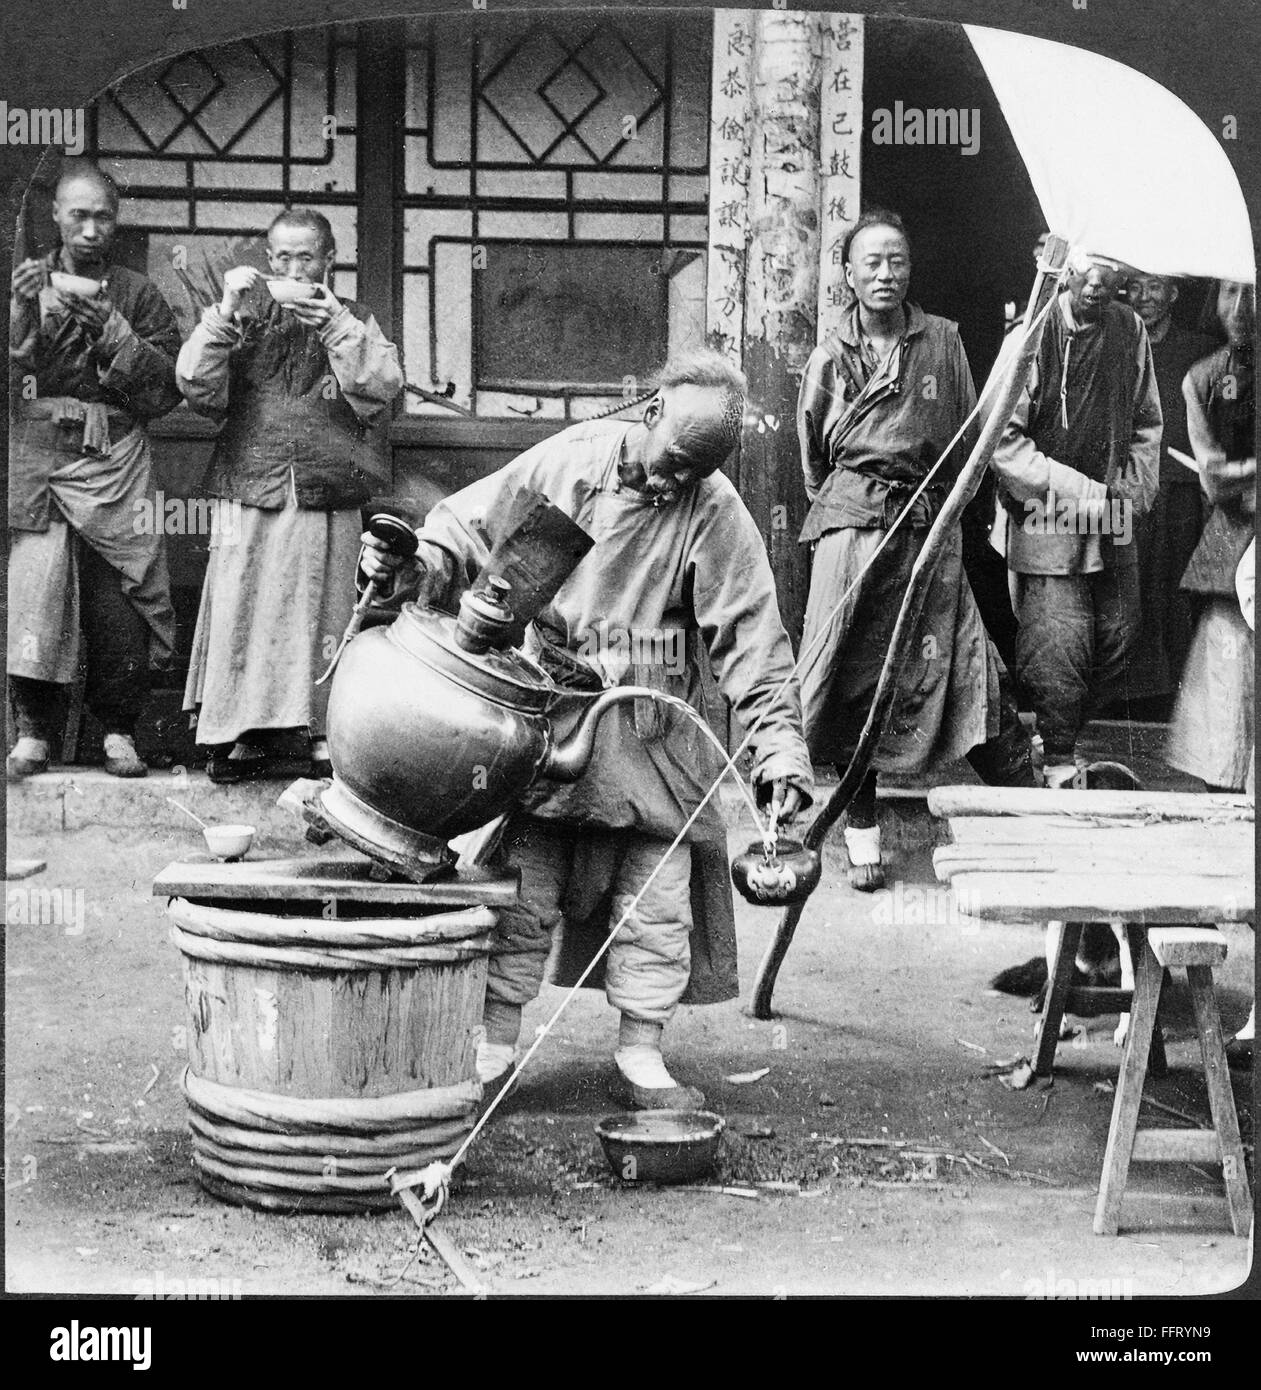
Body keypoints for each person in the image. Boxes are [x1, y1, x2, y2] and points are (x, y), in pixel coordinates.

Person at [361, 349, 814, 1109]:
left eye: (694, 471)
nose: (674, 482)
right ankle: (493, 1046)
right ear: (649, 412)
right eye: (671, 459)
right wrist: (410, 560)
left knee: (655, 901)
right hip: (547, 711)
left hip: (652, 726)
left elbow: (752, 637)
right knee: (521, 894)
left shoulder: (713, 506)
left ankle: (640, 1053)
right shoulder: (570, 465)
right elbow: (463, 536)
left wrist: (779, 751)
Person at [796, 210, 1035, 893]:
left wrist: (934, 509)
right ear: (847, 273)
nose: (884, 274)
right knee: (852, 679)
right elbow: (813, 459)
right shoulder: (829, 356)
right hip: (851, 534)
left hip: (928, 531)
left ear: (910, 270)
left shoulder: (943, 343)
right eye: (870, 262)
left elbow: (966, 439)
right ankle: (861, 836)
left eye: (896, 261)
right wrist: (855, 506)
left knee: (963, 663)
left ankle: (1026, 818)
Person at [176, 208, 403, 781]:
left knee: (326, 614)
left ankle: (324, 735)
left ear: (330, 260)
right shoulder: (242, 316)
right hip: (250, 481)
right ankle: (239, 735)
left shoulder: (355, 318)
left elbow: (381, 389)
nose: (293, 268)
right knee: (243, 610)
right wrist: (225, 312)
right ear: (268, 259)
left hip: (327, 487)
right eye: (282, 257)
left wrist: (334, 326)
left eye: (306, 257)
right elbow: (196, 389)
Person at [7, 161, 181, 779]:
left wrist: (113, 334)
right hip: (40, 454)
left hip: (115, 458)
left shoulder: (136, 292)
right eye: (76, 214)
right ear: (54, 214)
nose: (88, 229)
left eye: (101, 215)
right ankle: (34, 733)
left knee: (121, 595)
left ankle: (117, 731)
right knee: (37, 591)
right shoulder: (24, 280)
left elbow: (167, 391)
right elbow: (11, 376)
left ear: (117, 219)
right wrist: (21, 312)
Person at [990, 251, 1162, 785]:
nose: (1096, 279)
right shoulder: (1030, 337)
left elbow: (1147, 424)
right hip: (1048, 511)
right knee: (1058, 643)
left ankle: (1055, 737)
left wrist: (1129, 498)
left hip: (1113, 511)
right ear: (1063, 264)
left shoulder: (1130, 330)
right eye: (1087, 264)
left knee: (1119, 635)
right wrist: (1085, 495)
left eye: (1110, 267)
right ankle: (1060, 759)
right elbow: (1003, 442)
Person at [1166, 281, 1255, 795]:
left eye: (1252, 292)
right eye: (1228, 293)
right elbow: (1214, 475)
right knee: (1227, 663)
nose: (1239, 309)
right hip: (1234, 539)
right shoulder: (1203, 378)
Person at [1119, 271, 1217, 712]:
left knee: (1177, 590)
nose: (1144, 297)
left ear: (1174, 293)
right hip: (1130, 487)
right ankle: (1133, 698)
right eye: (1136, 288)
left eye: (1154, 287)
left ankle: (1178, 696)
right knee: (1129, 586)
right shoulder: (1118, 342)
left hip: (1181, 489)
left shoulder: (1198, 350)